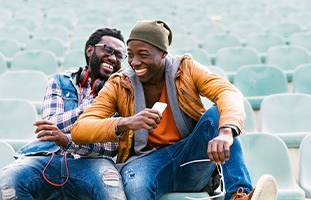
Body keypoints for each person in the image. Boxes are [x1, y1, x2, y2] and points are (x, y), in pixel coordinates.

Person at [71, 20, 278, 200]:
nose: (134, 62)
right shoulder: (119, 83)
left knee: (217, 115)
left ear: (163, 53)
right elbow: (80, 129)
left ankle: (238, 195)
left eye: (143, 54)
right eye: (131, 55)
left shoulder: (186, 69)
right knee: (136, 185)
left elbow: (228, 92)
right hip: (144, 162)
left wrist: (226, 132)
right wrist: (127, 122)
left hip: (190, 156)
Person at [0, 28, 127, 200]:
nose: (113, 58)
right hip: (47, 157)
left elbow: (111, 145)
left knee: (112, 190)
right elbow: (49, 127)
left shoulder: (121, 92)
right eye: (108, 50)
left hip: (94, 162)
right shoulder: (60, 81)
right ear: (89, 50)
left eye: (119, 55)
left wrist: (67, 140)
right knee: (8, 182)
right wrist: (96, 109)